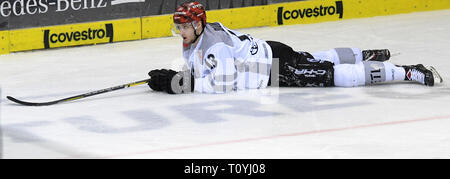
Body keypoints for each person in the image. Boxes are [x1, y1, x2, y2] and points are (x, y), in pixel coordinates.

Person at [147, 1, 442, 94]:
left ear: (198, 24)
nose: (181, 31)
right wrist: (182, 75)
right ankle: (364, 54)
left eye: (185, 25)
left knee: (334, 75)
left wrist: (179, 84)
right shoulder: (198, 37)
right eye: (179, 26)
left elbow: (225, 83)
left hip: (274, 68)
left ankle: (406, 72)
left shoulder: (214, 44)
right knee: (318, 58)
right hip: (271, 52)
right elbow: (203, 69)